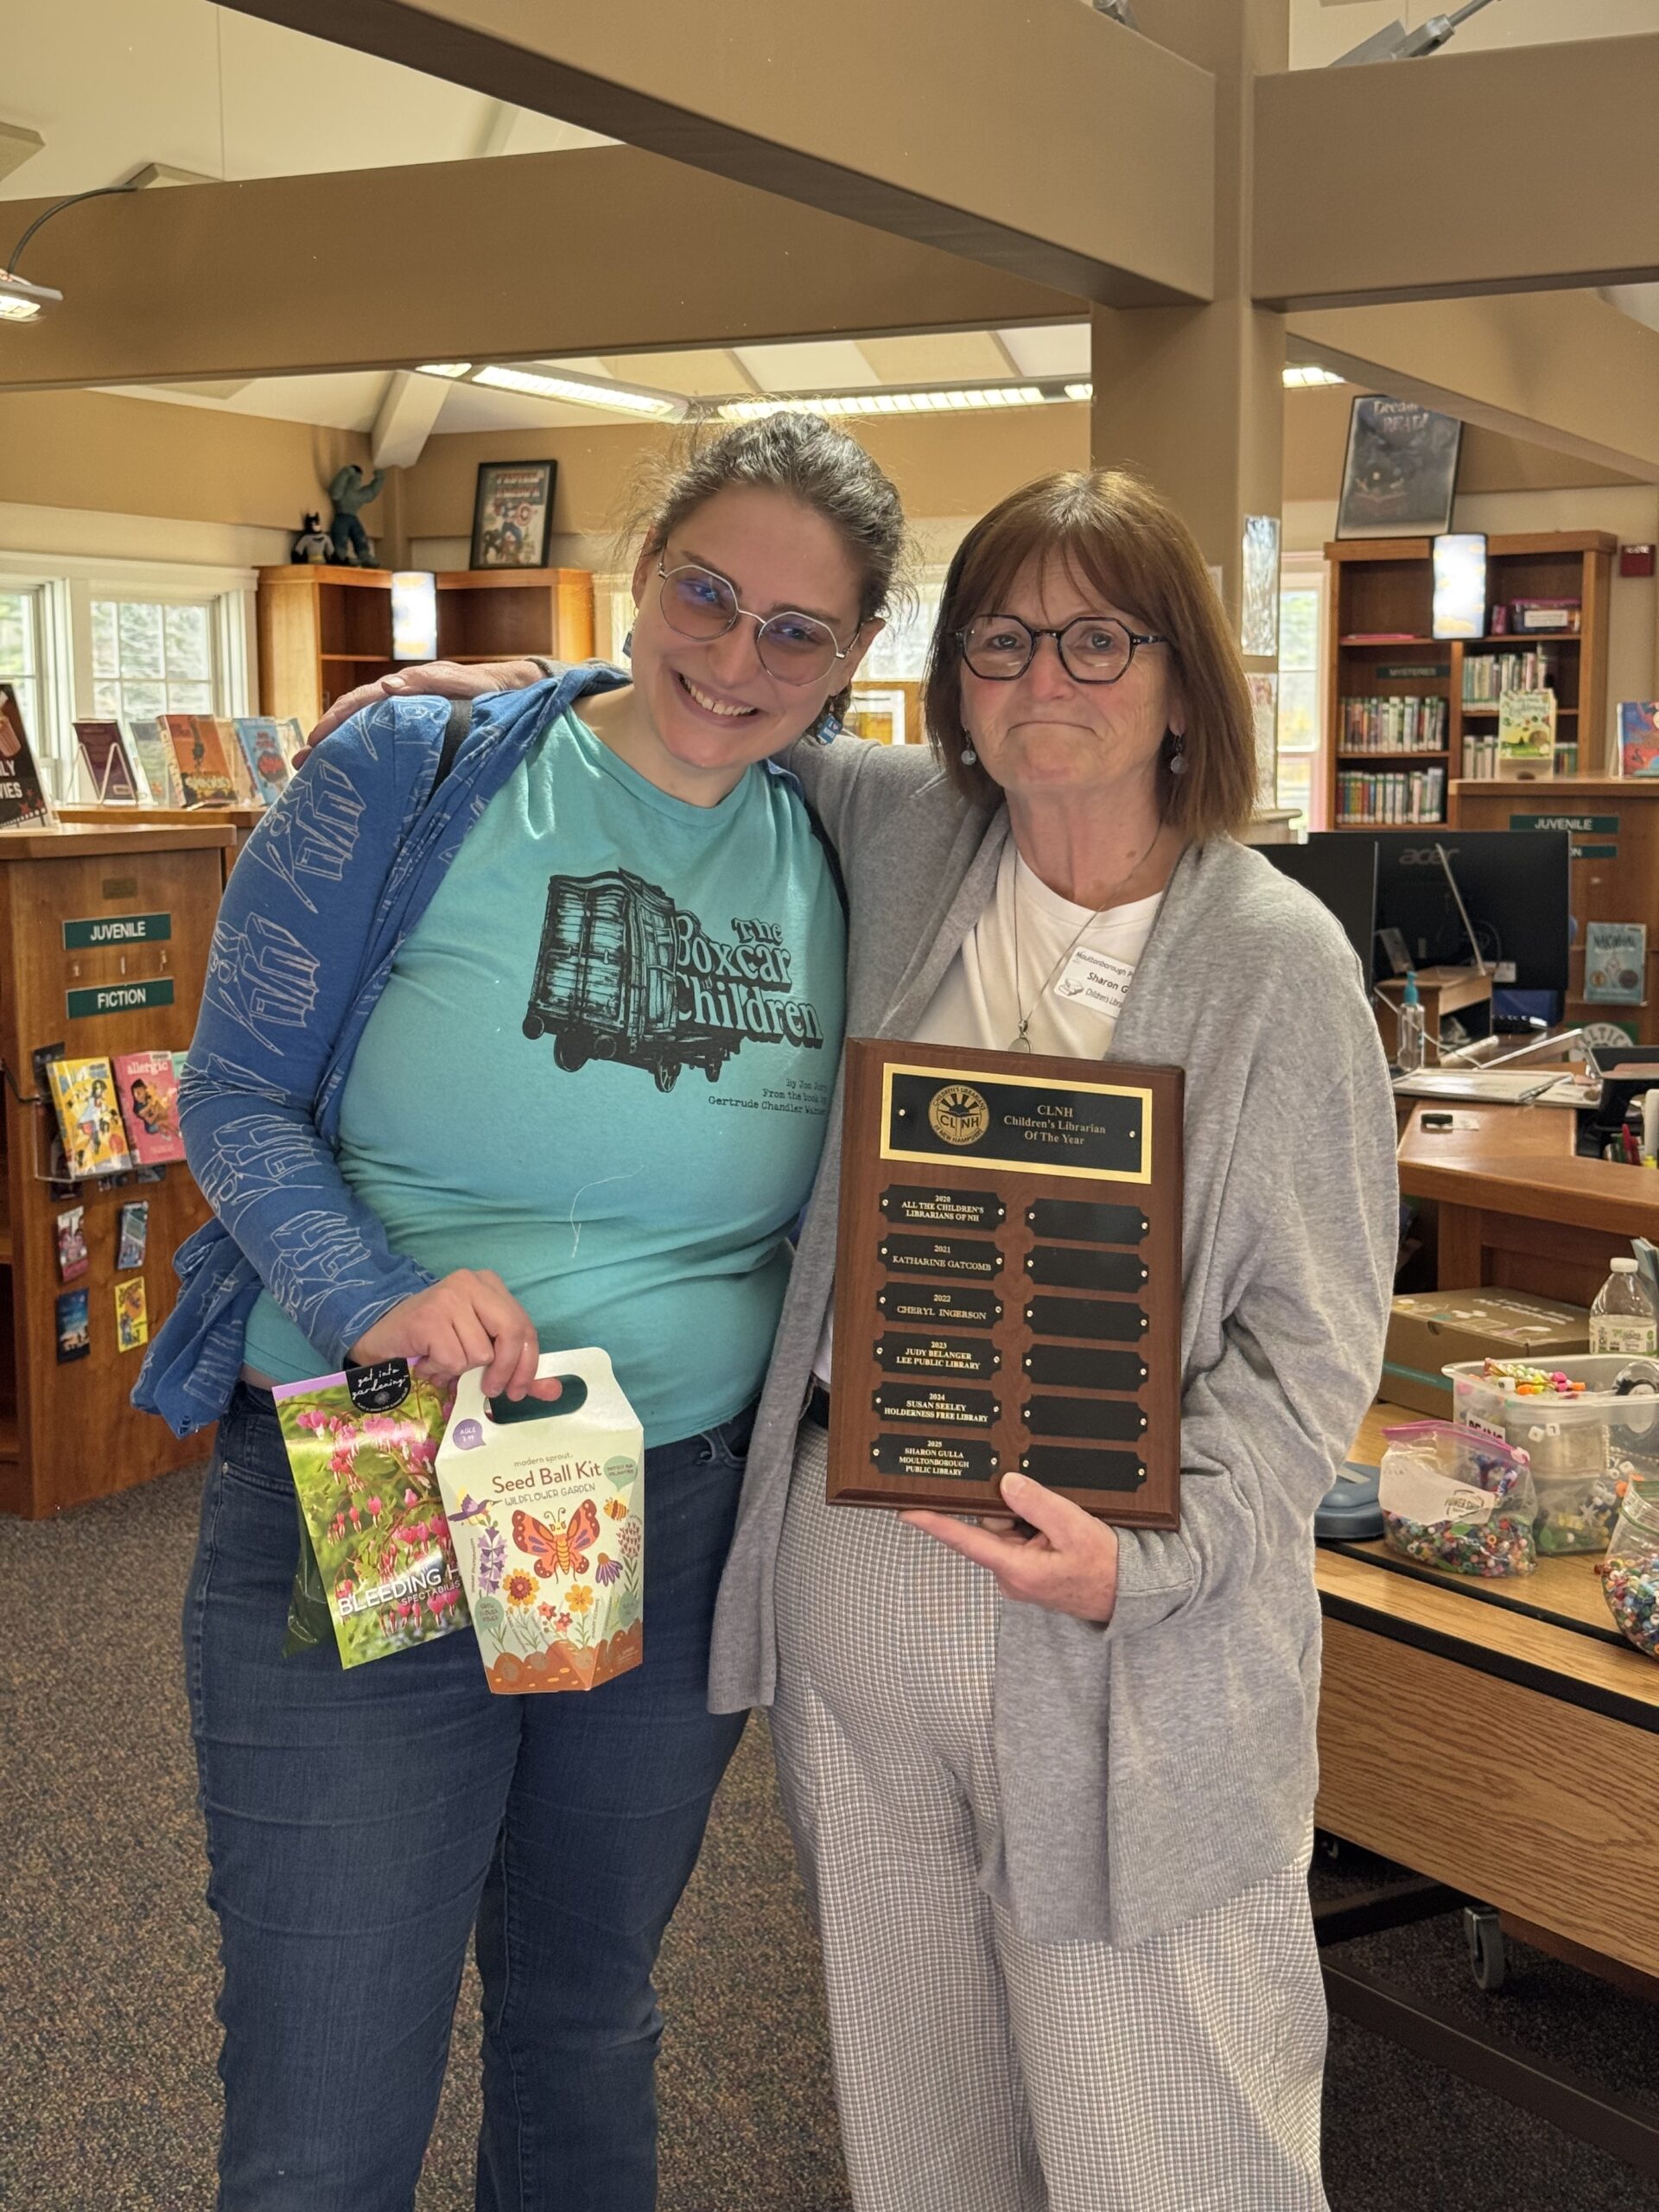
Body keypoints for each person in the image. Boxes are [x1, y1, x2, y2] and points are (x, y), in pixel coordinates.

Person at [351, 465, 1396, 2212]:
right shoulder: (909, 836)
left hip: (1125, 1615)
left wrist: (1161, 1552)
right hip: (864, 1563)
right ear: (947, 680)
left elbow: (1313, 1351)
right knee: (915, 2110)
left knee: (1169, 2120)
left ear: (1181, 677)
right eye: (999, 640)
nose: (1042, 678)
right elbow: (703, 707)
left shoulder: (1274, 958)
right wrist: (492, 692)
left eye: (1095, 638)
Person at [135, 411, 906, 2212]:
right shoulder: (421, 768)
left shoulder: (855, 829)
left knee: (585, 2020)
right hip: (385, 1470)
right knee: (331, 2085)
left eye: (797, 629)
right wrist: (374, 1289)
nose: (734, 658)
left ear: (856, 655)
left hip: (677, 1507)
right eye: (705, 594)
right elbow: (228, 1095)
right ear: (643, 569)